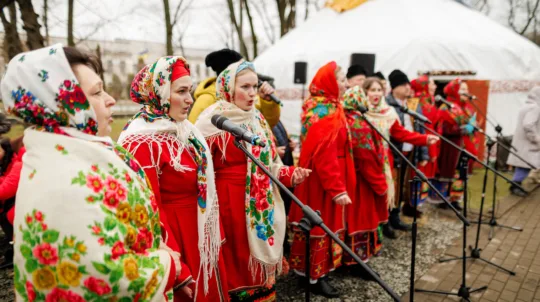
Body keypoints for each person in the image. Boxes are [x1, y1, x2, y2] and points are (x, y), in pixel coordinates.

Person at [2, 45, 183, 301]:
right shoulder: (61, 179)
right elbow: (101, 277)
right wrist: (168, 264)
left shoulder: (76, 154)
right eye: (97, 92)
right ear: (63, 105)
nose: (110, 99)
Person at [196, 60, 310, 301]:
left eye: (254, 86)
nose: (251, 93)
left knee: (255, 265)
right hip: (227, 206)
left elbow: (269, 164)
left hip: (259, 204)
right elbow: (199, 173)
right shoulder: (211, 121)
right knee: (235, 263)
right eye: (245, 87)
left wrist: (290, 174)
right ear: (227, 87)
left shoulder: (256, 118)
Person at [118, 56, 227, 301]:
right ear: (158, 93)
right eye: (181, 91)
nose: (190, 99)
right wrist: (177, 271)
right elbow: (147, 209)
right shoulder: (141, 141)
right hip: (176, 237)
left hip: (197, 232)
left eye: (190, 90)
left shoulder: (185, 130)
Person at [288, 61, 354, 298]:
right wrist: (336, 188)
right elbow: (324, 155)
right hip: (321, 180)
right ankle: (315, 276)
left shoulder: (330, 107)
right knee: (319, 223)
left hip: (328, 175)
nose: (346, 84)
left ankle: (310, 272)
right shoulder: (321, 111)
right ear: (329, 82)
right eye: (342, 79)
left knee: (319, 223)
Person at [362, 77, 437, 239]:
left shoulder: (388, 112)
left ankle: (381, 230)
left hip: (384, 161)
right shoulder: (359, 112)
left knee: (385, 195)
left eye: (379, 90)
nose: (376, 93)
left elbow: (400, 133)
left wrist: (424, 139)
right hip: (365, 162)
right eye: (372, 90)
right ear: (364, 92)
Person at [342, 86, 389, 276]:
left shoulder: (345, 118)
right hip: (361, 182)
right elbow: (366, 157)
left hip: (350, 178)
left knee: (350, 219)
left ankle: (348, 259)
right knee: (360, 218)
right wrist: (380, 183)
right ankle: (357, 261)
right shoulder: (358, 124)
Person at [385, 70, 430, 232]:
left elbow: (421, 130)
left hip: (410, 153)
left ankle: (396, 216)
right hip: (394, 152)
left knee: (404, 186)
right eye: (403, 85)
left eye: (408, 84)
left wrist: (424, 153)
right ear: (394, 87)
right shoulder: (387, 104)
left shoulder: (413, 104)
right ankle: (387, 220)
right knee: (392, 187)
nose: (407, 88)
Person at [189, 49, 280, 127]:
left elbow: (266, 125)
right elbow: (194, 135)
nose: (252, 93)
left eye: (255, 86)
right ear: (229, 74)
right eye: (241, 66)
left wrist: (268, 103)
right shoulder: (206, 99)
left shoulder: (248, 95)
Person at [432, 78, 475, 209]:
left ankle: (455, 199)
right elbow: (443, 129)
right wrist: (463, 129)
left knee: (460, 173)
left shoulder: (466, 108)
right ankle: (443, 199)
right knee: (449, 172)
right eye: (462, 89)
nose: (465, 92)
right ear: (454, 90)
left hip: (463, 146)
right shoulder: (446, 107)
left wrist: (473, 126)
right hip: (450, 146)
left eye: (467, 89)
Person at [404, 75, 441, 217]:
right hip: (424, 143)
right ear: (424, 86)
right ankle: (412, 205)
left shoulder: (423, 101)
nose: (435, 86)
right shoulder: (421, 104)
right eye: (431, 83)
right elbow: (424, 129)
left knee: (418, 175)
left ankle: (414, 205)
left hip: (426, 142)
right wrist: (430, 152)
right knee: (418, 174)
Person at [507, 87, 540, 196]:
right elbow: (528, 125)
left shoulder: (525, 107)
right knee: (525, 164)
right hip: (528, 143)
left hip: (521, 142)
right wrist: (536, 138)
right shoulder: (535, 108)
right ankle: (515, 185)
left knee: (523, 164)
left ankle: (517, 184)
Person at [0, 138, 22, 269]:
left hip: (17, 206)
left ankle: (17, 246)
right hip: (11, 204)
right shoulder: (6, 163)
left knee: (6, 215)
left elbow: (7, 188)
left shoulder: (18, 162)